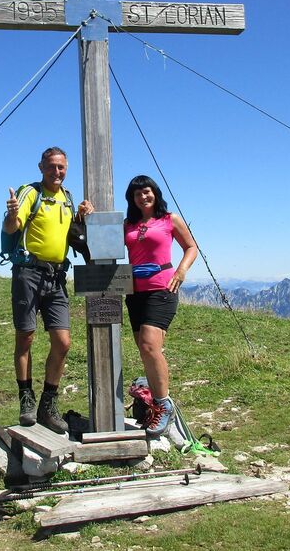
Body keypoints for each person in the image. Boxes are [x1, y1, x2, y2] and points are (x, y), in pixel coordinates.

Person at [4, 146, 93, 432]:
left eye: (61, 167)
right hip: (28, 273)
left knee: (63, 342)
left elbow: (70, 232)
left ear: (66, 169)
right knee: (25, 338)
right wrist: (11, 214)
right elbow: (12, 227)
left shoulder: (68, 198)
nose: (57, 171)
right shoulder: (31, 193)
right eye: (52, 166)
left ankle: (47, 403)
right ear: (41, 167)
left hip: (56, 277)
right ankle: (26, 398)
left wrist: (82, 217)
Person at [123, 174, 198, 437]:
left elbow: (191, 247)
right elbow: (105, 243)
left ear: (155, 193)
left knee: (149, 346)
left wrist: (181, 271)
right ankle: (155, 403)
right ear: (132, 199)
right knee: (146, 350)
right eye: (137, 194)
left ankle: (164, 406)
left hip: (162, 289)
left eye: (147, 191)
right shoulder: (128, 225)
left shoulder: (169, 219)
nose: (143, 196)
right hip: (134, 292)